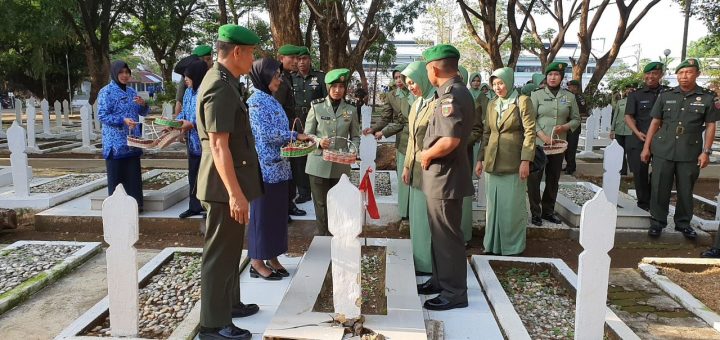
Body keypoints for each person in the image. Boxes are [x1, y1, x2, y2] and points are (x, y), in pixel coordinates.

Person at [195, 24, 263, 340]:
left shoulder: (227, 81)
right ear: (237, 52)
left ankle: (229, 305)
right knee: (219, 254)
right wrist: (236, 194)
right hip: (223, 188)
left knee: (232, 249)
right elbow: (219, 145)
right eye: (251, 53)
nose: (253, 60)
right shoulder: (219, 86)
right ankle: (212, 324)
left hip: (229, 184)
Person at [415, 44, 472, 311]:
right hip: (443, 176)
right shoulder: (451, 93)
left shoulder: (451, 96)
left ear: (435, 68)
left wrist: (426, 155)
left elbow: (449, 140)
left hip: (445, 175)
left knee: (447, 236)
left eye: (427, 68)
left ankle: (454, 293)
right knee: (440, 234)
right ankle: (440, 280)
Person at [247, 57, 311, 280]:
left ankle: (273, 257)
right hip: (265, 169)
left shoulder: (271, 99)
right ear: (263, 77)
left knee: (277, 216)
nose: (279, 79)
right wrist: (295, 135)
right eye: (275, 76)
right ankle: (256, 261)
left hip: (281, 167)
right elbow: (266, 135)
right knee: (262, 216)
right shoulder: (256, 102)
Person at [641, 58, 719, 239]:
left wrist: (706, 151)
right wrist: (646, 147)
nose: (684, 76)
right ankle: (657, 222)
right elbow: (655, 122)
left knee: (686, 189)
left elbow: (710, 126)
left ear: (697, 74)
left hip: (689, 151)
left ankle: (683, 223)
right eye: (681, 73)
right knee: (659, 186)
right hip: (663, 149)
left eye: (689, 72)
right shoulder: (666, 95)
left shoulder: (707, 98)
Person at [476, 67, 536, 255]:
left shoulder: (522, 101)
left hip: (514, 162)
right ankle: (492, 245)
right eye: (494, 84)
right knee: (493, 207)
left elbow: (530, 132)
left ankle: (512, 247)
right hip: (493, 161)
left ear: (509, 82)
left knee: (511, 207)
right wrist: (480, 159)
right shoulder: (492, 104)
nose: (497, 87)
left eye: (500, 83)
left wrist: (526, 160)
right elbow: (486, 133)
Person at [304, 68, 361, 236]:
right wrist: (319, 141)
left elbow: (355, 136)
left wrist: (352, 150)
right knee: (321, 205)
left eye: (341, 87)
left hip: (340, 165)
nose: (338, 90)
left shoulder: (350, 109)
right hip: (318, 164)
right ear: (328, 88)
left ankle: (339, 237)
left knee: (339, 203)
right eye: (334, 86)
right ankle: (323, 238)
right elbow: (307, 135)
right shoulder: (317, 107)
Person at [528, 62, 580, 226]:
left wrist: (565, 126)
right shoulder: (536, 95)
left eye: (556, 75)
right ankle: (535, 212)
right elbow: (530, 119)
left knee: (553, 179)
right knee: (534, 178)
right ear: (546, 77)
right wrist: (543, 136)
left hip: (558, 145)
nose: (553, 77)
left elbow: (576, 119)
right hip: (539, 144)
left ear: (562, 78)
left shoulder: (569, 96)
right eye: (550, 75)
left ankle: (548, 211)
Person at [363, 64, 413, 220]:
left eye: (401, 77)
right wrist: (374, 129)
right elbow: (386, 117)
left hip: (419, 139)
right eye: (396, 77)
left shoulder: (417, 93)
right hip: (403, 140)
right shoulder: (392, 96)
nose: (398, 80)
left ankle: (416, 209)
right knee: (403, 177)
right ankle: (405, 211)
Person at [97, 61, 149, 211]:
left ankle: (135, 206)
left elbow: (142, 112)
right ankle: (117, 210)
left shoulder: (132, 92)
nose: (125, 76)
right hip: (115, 143)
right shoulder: (106, 92)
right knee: (117, 177)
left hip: (132, 141)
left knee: (133, 176)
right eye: (121, 72)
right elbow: (102, 115)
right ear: (114, 73)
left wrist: (143, 104)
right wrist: (122, 120)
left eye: (127, 72)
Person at [401, 61, 437, 275]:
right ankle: (419, 259)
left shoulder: (437, 102)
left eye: (413, 82)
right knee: (417, 218)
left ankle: (429, 264)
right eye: (408, 84)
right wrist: (406, 166)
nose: (411, 87)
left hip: (431, 169)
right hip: (415, 169)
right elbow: (412, 141)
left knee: (427, 219)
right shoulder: (417, 104)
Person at [625, 62, 668, 211]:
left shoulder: (669, 94)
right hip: (639, 138)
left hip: (662, 140)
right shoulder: (635, 94)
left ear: (661, 75)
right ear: (644, 75)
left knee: (660, 173)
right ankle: (644, 204)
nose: (651, 77)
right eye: (648, 74)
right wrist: (637, 132)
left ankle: (655, 202)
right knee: (640, 172)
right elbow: (628, 116)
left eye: (655, 73)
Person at [274, 44, 306, 219]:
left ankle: (288, 204)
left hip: (290, 130)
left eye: (297, 58)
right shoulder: (278, 78)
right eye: (292, 58)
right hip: (284, 132)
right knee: (286, 170)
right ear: (281, 58)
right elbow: (278, 108)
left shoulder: (287, 76)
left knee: (291, 169)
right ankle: (285, 206)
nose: (296, 61)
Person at [291, 46, 326, 204]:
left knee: (316, 153)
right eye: (298, 59)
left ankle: (319, 189)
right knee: (299, 156)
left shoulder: (319, 77)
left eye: (304, 59)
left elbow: (326, 100)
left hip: (316, 121)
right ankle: (304, 192)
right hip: (297, 121)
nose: (301, 62)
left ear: (310, 60)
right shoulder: (291, 78)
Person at [177, 60, 208, 218]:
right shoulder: (189, 92)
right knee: (193, 175)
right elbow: (184, 112)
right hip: (192, 143)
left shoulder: (206, 91)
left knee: (207, 177)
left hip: (206, 144)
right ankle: (194, 206)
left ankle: (209, 208)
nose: (185, 79)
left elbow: (208, 118)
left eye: (187, 76)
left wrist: (193, 125)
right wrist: (175, 123)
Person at [174, 45, 213, 116]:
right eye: (207, 59)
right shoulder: (188, 83)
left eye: (210, 59)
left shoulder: (214, 76)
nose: (210, 63)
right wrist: (175, 124)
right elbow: (179, 101)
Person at [610, 82, 637, 176]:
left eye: (632, 89)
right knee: (620, 151)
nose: (629, 90)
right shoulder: (620, 102)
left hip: (631, 131)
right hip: (619, 129)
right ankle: (623, 170)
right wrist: (612, 129)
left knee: (631, 151)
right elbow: (615, 116)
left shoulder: (636, 101)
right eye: (627, 89)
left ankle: (634, 171)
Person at [564, 79, 587, 175]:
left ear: (576, 88)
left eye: (571, 87)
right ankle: (568, 165)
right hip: (565, 125)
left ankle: (571, 167)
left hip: (574, 127)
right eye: (569, 87)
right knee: (565, 148)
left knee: (571, 148)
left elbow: (583, 111)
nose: (570, 88)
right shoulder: (566, 97)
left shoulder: (579, 98)